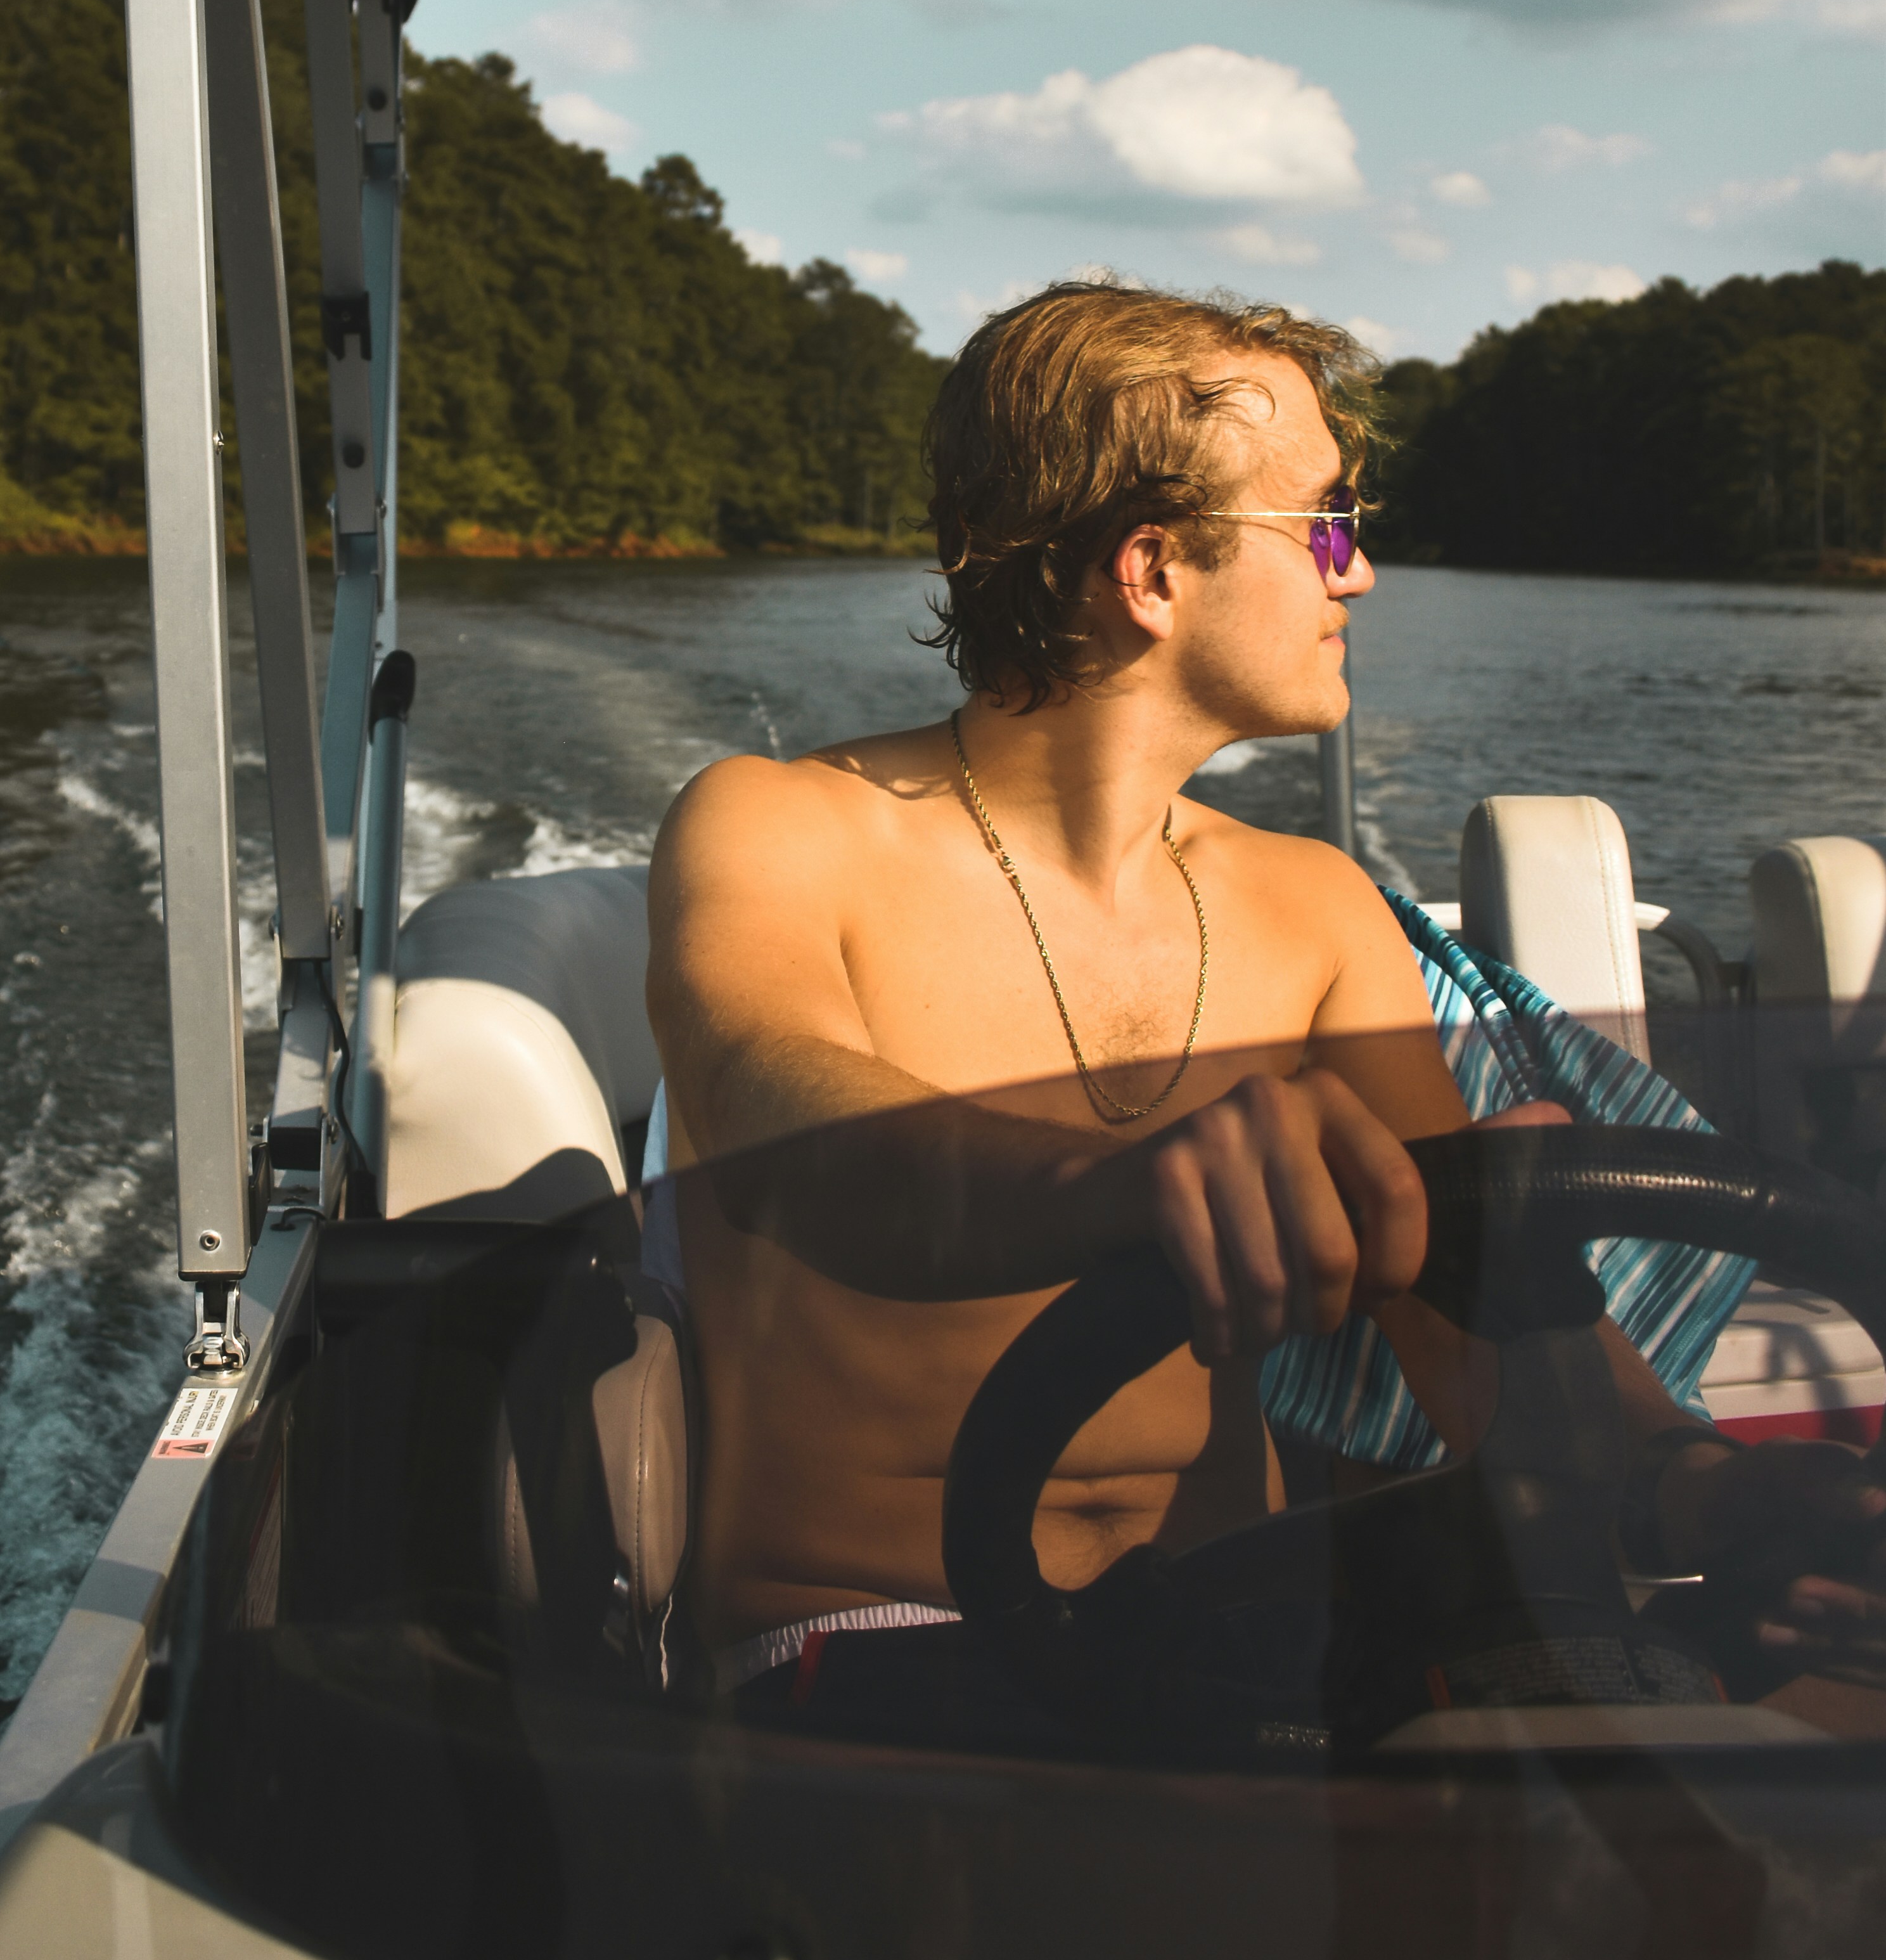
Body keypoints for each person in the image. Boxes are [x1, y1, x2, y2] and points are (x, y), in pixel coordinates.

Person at [646, 280, 1886, 1718]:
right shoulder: (775, 827)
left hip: (1254, 1633)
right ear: (1153, 569)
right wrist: (1129, 1187)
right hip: (877, 1655)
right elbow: (765, 1118)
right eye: (1327, 524)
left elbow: (1461, 1322)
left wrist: (1700, 1488)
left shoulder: (1314, 903)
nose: (1355, 575)